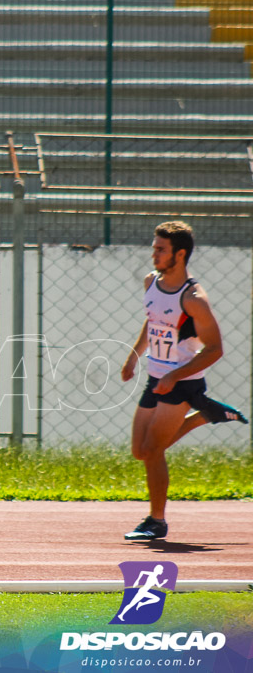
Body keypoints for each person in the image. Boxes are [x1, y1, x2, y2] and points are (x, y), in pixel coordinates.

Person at [119, 221, 247, 541]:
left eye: (160, 250)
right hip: (156, 377)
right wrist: (134, 356)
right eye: (154, 248)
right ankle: (205, 415)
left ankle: (156, 521)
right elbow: (153, 323)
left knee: (153, 450)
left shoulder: (193, 299)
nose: (154, 254)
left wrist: (175, 375)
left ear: (180, 254)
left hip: (182, 382)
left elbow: (215, 349)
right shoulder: (151, 282)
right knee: (139, 450)